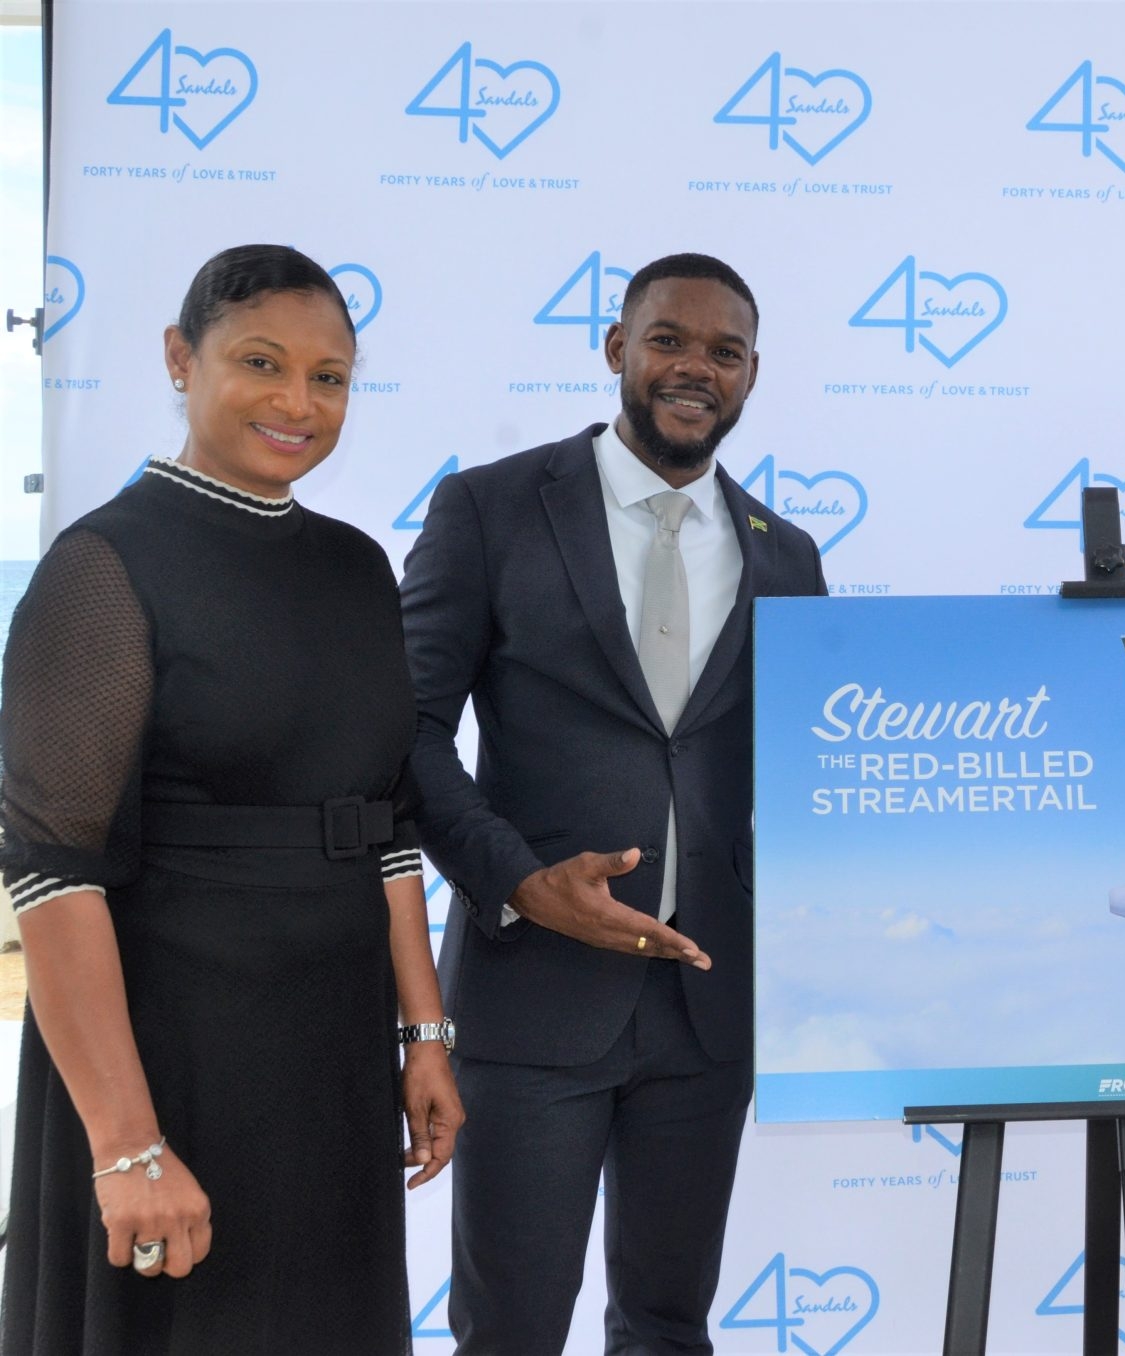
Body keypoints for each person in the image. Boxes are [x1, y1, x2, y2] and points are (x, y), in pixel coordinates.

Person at [0, 244, 461, 1355]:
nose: (298, 403)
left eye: (331, 377)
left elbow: (385, 825)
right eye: (262, 362)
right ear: (179, 357)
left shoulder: (358, 567)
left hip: (330, 1062)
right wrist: (126, 1147)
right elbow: (52, 873)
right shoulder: (104, 566)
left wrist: (425, 1033)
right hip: (168, 1058)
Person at [401, 252, 826, 1355]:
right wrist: (517, 884)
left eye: (724, 353)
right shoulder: (491, 508)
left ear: (751, 375)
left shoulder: (790, 557)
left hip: (708, 1011)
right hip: (533, 1000)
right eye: (668, 341)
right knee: (511, 1329)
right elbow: (402, 735)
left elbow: (803, 779)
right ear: (616, 352)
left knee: (669, 1325)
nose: (695, 369)